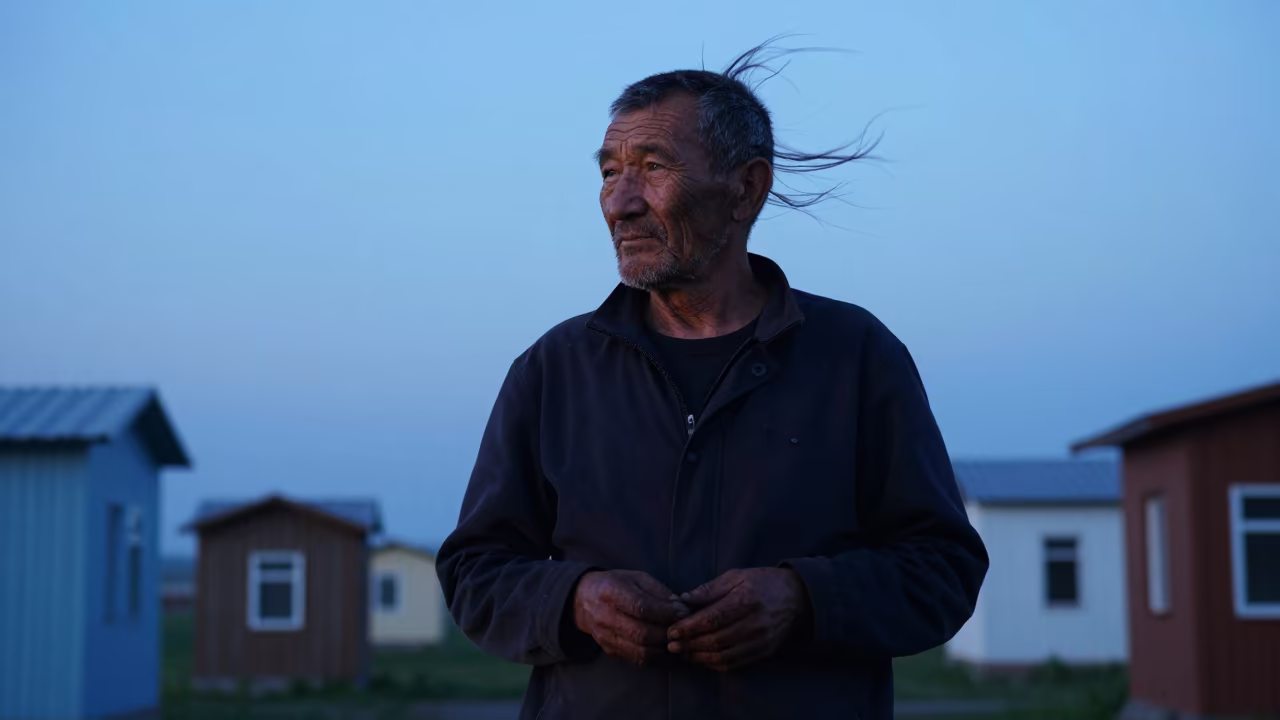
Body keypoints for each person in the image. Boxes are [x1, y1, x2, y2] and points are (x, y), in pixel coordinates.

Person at [437, 42, 989, 720]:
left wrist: (804, 598)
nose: (620, 203)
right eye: (609, 173)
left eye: (653, 168)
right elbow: (474, 572)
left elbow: (943, 568)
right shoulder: (553, 370)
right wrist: (574, 599)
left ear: (746, 188)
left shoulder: (857, 358)